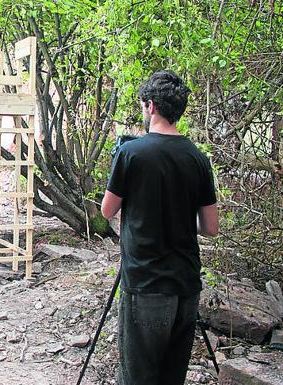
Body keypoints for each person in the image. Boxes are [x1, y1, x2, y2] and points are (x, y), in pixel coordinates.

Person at [100, 70, 219, 385]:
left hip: (146, 284)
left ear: (150, 106)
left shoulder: (131, 153)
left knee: (138, 378)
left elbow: (107, 210)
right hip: (186, 288)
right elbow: (210, 226)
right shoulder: (198, 159)